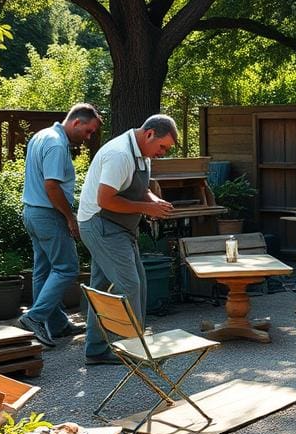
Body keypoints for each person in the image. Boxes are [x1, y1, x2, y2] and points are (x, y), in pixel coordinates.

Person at [77, 114, 177, 365]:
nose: (162, 153)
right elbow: (106, 200)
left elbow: (140, 190)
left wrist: (154, 202)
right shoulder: (120, 154)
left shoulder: (143, 154)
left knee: (110, 286)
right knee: (130, 285)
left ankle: (96, 349)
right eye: (162, 147)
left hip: (117, 227)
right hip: (100, 223)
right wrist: (146, 209)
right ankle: (134, 351)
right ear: (149, 134)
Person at [18, 103, 103, 348]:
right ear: (76, 122)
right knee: (66, 268)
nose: (88, 138)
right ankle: (35, 318)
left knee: (43, 270)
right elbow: (52, 186)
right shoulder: (56, 144)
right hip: (49, 215)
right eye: (88, 131)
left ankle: (55, 324)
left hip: (32, 213)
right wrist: (70, 216)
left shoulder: (41, 135)